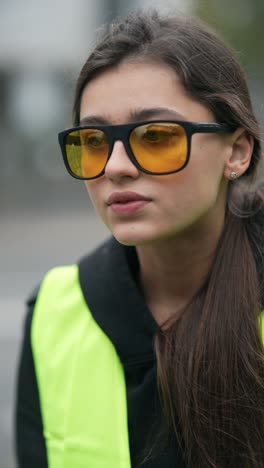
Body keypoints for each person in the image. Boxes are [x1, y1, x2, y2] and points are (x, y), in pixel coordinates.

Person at [15, 8, 264, 468]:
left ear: (237, 151)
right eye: (93, 141)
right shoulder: (54, 311)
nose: (115, 167)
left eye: (155, 136)